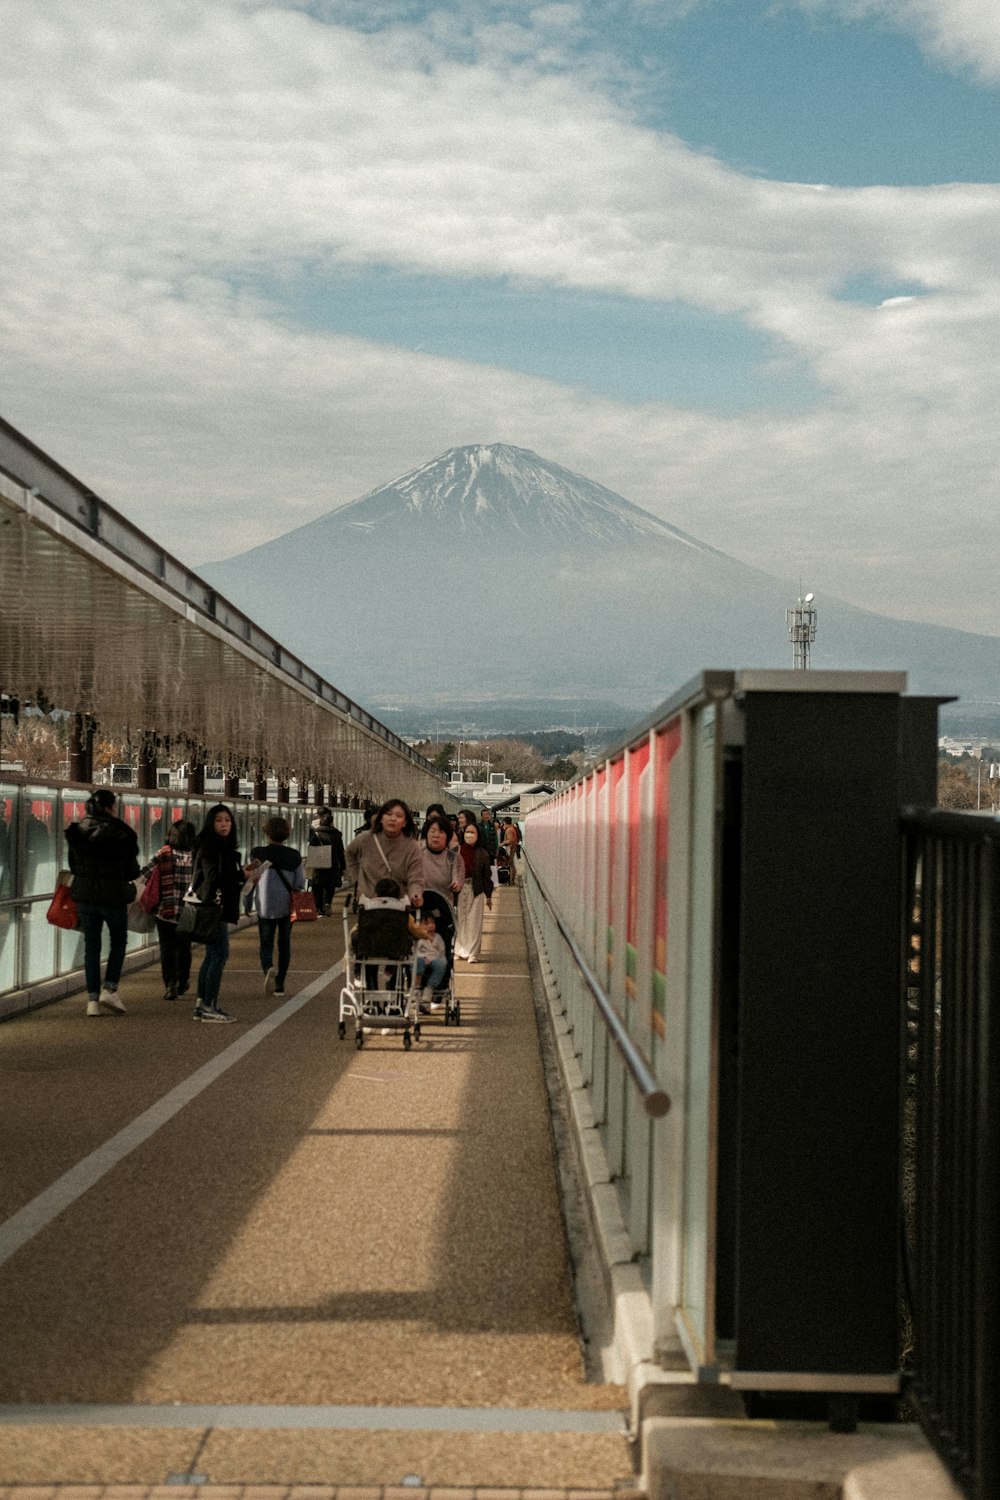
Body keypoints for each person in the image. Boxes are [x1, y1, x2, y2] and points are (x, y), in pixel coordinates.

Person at [64, 788, 141, 1017]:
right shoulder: (120, 834)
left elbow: (74, 867)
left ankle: (92, 1001)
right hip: (113, 896)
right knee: (118, 940)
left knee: (92, 946)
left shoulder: (77, 833)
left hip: (86, 896)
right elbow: (132, 870)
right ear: (110, 808)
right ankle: (110, 988)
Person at [189, 803, 245, 1023]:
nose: (224, 824)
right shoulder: (213, 847)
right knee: (219, 955)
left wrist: (242, 874)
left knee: (211, 955)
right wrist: (240, 876)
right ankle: (209, 1005)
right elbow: (214, 877)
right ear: (211, 823)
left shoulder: (215, 845)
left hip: (213, 907)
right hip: (214, 908)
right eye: (219, 820)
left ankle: (201, 1003)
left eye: (228, 820)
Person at [248, 815, 306, 998]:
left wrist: (247, 902)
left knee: (266, 943)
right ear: (287, 834)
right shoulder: (294, 856)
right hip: (287, 906)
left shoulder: (258, 853)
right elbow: (299, 883)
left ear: (266, 832)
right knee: (284, 944)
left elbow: (251, 879)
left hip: (265, 905)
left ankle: (268, 969)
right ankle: (280, 984)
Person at [346, 798, 424, 908]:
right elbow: (349, 853)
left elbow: (415, 877)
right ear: (381, 818)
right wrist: (358, 878)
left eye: (399, 816)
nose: (393, 819)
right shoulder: (365, 839)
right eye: (388, 814)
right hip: (369, 902)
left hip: (399, 905)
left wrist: (415, 895)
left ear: (405, 822)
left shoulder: (412, 846)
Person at [151, 819, 196, 1001]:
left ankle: (169, 984)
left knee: (167, 948)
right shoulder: (195, 856)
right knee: (184, 947)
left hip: (165, 910)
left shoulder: (164, 853)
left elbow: (147, 874)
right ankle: (183, 980)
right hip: (189, 911)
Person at [455, 822, 493, 963]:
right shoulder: (457, 850)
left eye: (472, 832)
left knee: (474, 922)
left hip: (476, 889)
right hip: (460, 888)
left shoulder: (482, 853)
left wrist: (488, 895)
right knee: (460, 920)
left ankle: (472, 953)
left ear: (478, 835)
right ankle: (459, 949)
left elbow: (487, 875)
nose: (469, 835)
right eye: (467, 832)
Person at [307, 808, 346, 916]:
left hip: (318, 863)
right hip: (333, 864)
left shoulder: (316, 834)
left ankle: (318, 908)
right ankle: (327, 902)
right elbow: (340, 852)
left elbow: (311, 848)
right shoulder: (337, 835)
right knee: (330, 886)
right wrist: (343, 866)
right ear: (331, 822)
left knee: (317, 886)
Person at [414, 914, 447, 994]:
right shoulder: (419, 938)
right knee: (418, 961)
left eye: (433, 923)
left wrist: (436, 958)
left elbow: (442, 951)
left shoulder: (438, 937)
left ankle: (430, 987)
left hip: (435, 958)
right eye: (426, 923)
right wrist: (424, 957)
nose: (431, 926)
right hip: (422, 958)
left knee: (442, 963)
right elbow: (415, 951)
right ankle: (416, 986)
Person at [502, 817, 521, 886]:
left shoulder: (509, 830)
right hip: (512, 849)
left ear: (505, 822)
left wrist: (502, 844)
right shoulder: (512, 828)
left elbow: (510, 840)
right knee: (512, 864)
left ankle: (511, 881)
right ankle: (512, 880)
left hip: (510, 849)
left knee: (511, 864)